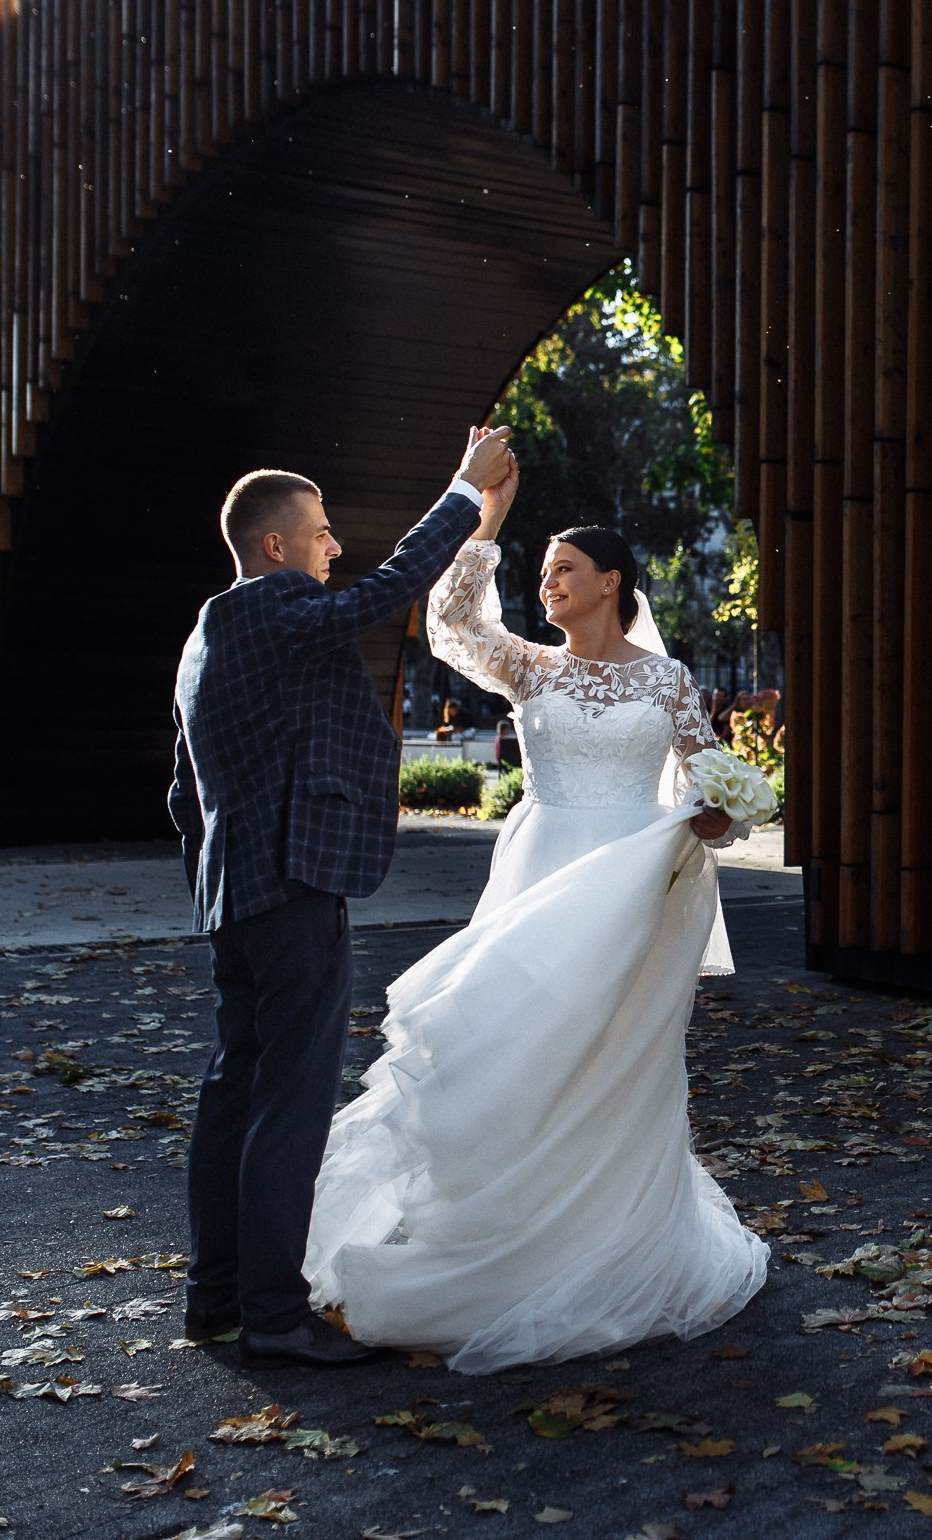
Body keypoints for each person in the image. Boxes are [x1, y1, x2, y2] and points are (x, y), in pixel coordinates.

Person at [303, 463, 769, 1374]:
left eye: (563, 570)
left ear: (611, 583)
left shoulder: (671, 681)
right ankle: (499, 1238)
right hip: (540, 870)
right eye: (544, 569)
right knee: (513, 1050)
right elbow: (449, 626)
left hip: (632, 886)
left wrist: (725, 815)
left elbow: (714, 785)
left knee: (615, 1055)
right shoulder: (527, 664)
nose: (548, 583)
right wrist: (487, 523)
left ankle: (611, 1242)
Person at [168, 426, 518, 1370]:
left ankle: (219, 1302)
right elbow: (383, 591)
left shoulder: (205, 636)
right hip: (292, 886)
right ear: (275, 546)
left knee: (236, 1092)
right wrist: (459, 491)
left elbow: (180, 791)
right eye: (320, 531)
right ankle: (276, 1315)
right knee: (288, 1102)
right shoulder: (275, 609)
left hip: (236, 893)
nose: (334, 546)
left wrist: (223, 873)